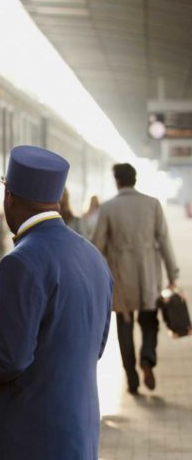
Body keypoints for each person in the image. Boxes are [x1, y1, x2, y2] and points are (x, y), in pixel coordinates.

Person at [0, 145, 112, 460]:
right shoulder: (92, 256)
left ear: (9, 197)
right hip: (77, 443)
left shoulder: (20, 262)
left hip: (33, 446)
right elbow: (94, 346)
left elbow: (9, 360)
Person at [91, 163, 179, 394]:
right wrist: (172, 275)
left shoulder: (109, 207)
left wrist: (92, 277)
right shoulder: (152, 204)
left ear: (117, 181)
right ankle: (147, 359)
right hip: (148, 278)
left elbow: (96, 246)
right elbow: (165, 242)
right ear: (135, 179)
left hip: (121, 280)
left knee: (124, 327)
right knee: (150, 323)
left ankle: (132, 379)